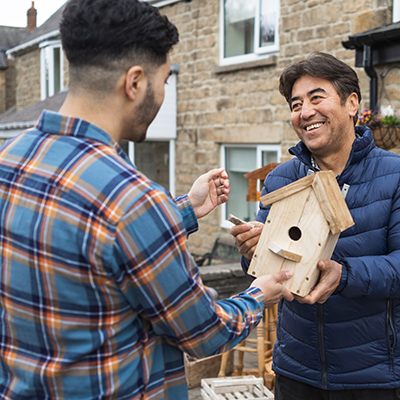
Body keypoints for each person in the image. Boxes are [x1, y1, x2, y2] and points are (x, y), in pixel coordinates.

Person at [0, 1, 294, 399]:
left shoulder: (12, 160)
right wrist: (261, 292)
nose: (162, 92)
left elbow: (85, 230)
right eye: (165, 80)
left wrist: (184, 210)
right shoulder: (134, 201)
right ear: (135, 82)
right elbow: (206, 333)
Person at [231, 52, 400, 399]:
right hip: (296, 369)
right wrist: (251, 252)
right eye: (295, 104)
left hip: (374, 376)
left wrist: (345, 275)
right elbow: (265, 267)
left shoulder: (394, 176)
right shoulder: (281, 178)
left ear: (351, 103)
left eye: (316, 97)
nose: (304, 111)